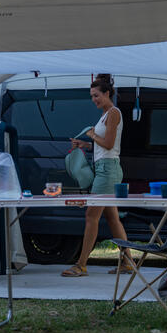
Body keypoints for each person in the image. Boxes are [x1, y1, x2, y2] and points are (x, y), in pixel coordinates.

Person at [62, 74, 134, 277]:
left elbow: (110, 144)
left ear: (107, 93)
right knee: (112, 218)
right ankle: (128, 261)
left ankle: (81, 264)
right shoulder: (104, 115)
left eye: (96, 95)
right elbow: (104, 146)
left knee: (91, 215)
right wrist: (85, 144)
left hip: (108, 171)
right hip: (104, 167)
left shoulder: (113, 113)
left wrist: (92, 135)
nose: (94, 99)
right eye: (92, 96)